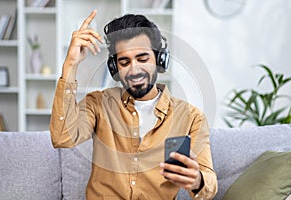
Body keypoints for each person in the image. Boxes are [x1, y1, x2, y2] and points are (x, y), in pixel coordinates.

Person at [50, 10, 217, 199]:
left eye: (143, 58)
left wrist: (197, 180)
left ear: (160, 60)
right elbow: (62, 137)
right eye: (124, 61)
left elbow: (209, 186)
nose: (134, 69)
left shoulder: (191, 117)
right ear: (115, 68)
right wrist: (70, 65)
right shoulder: (98, 104)